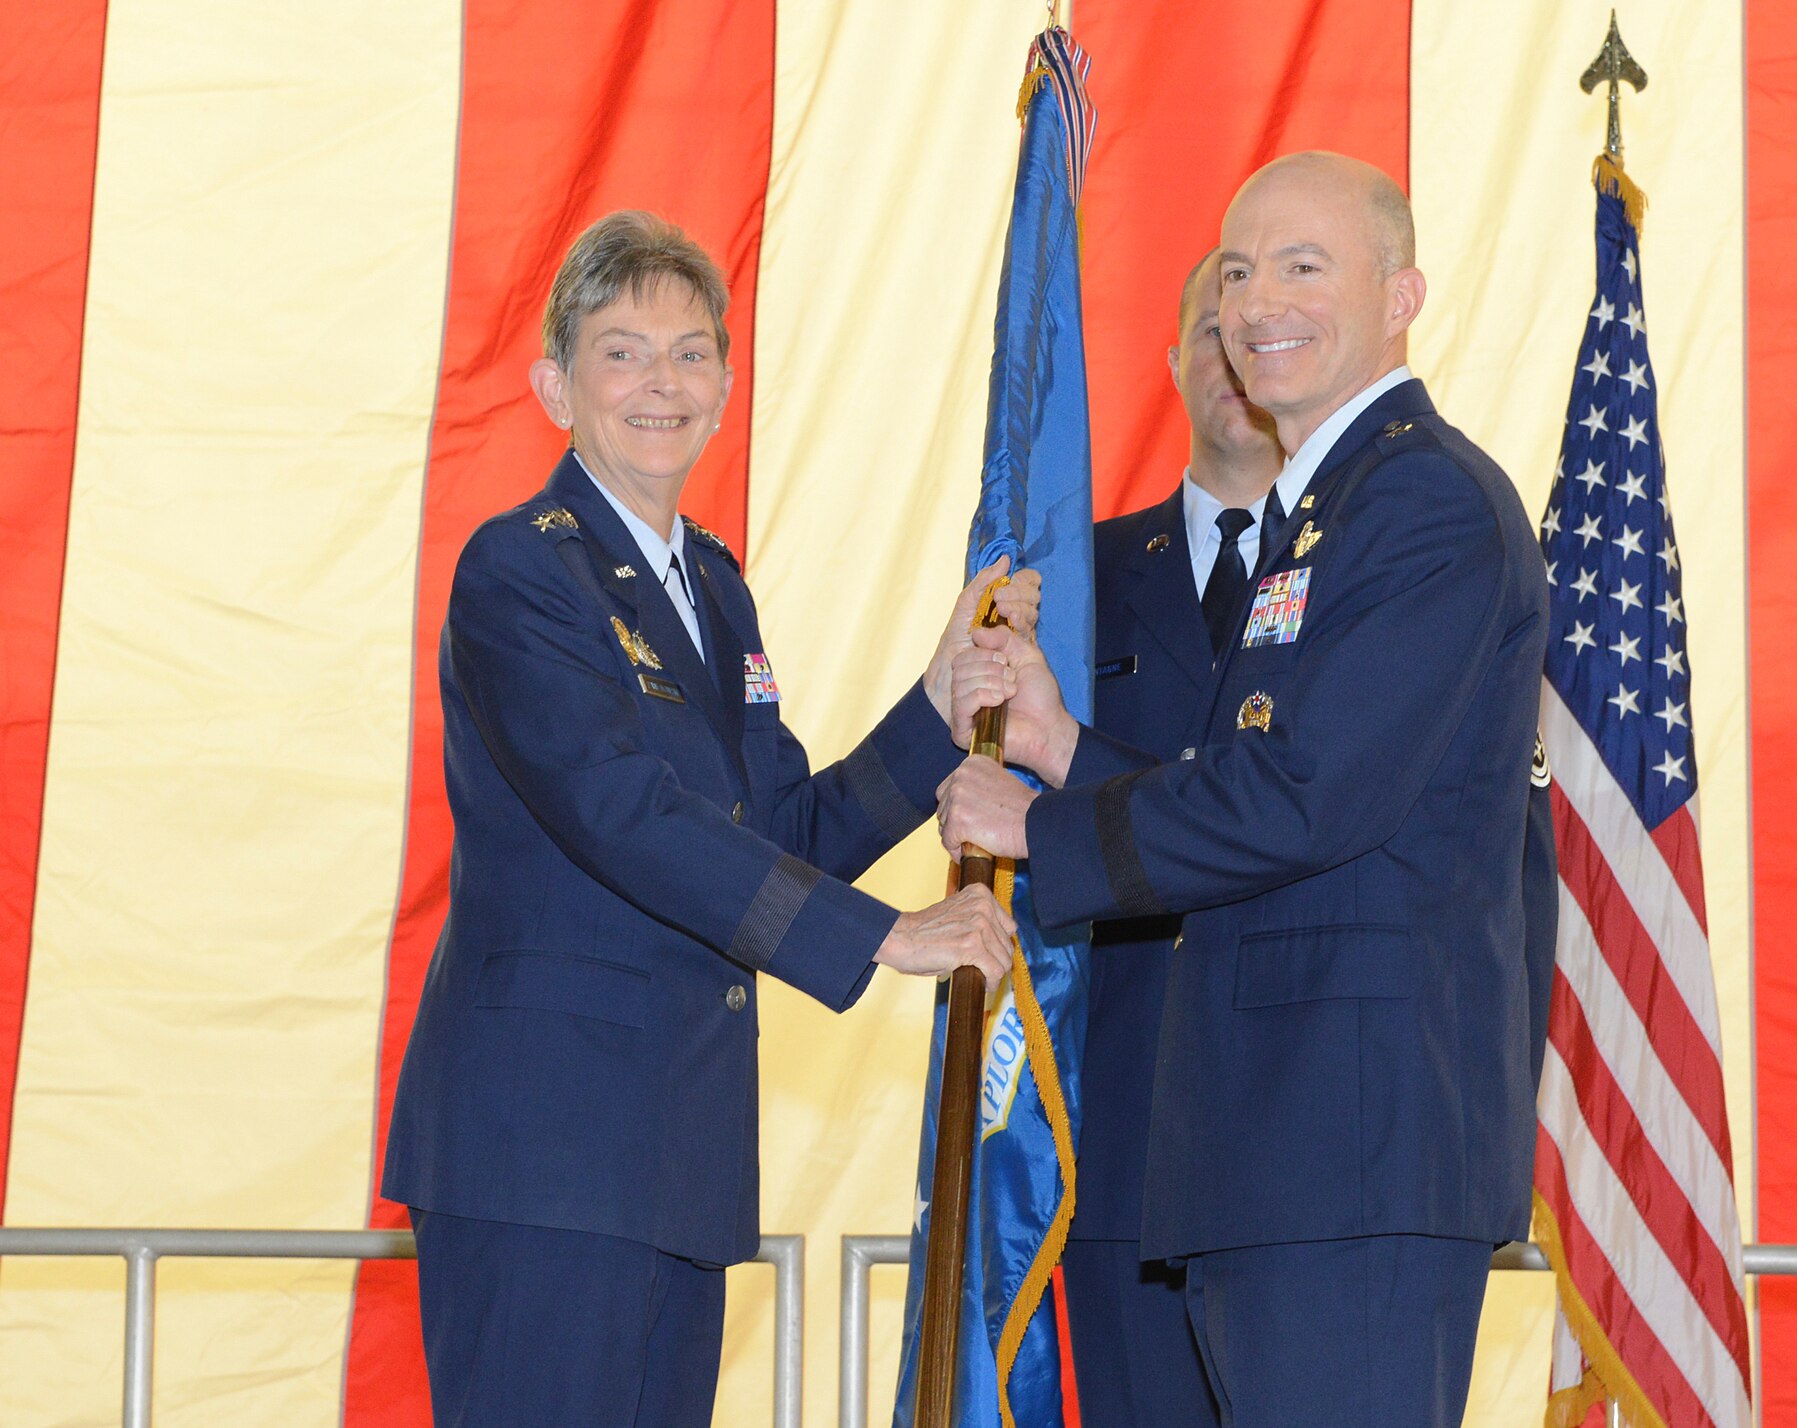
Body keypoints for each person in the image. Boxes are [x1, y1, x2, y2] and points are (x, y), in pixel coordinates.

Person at [382, 210, 1031, 1428]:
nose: (660, 383)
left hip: (672, 1157)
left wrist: (936, 707)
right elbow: (618, 812)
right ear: (554, 383)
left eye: (689, 353)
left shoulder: (714, 587)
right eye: (622, 351)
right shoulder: (519, 569)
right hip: (546, 1156)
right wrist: (881, 936)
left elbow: (775, 824)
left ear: (728, 388)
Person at [939, 153, 1555, 1428]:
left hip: (1347, 1152)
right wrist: (1062, 750)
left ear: (1402, 295)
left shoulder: (1420, 500)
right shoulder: (1326, 507)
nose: (1257, 297)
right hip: (1276, 1156)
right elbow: (1259, 785)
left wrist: (1038, 828)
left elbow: (1300, 797)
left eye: (1302, 265)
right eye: (1236, 269)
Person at [1062, 247, 1281, 1428]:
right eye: (1208, 326)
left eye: (1257, 324)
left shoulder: (1374, 562)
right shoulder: (1076, 579)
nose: (1232, 349)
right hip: (1124, 1138)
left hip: (1304, 1139)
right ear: (1171, 364)